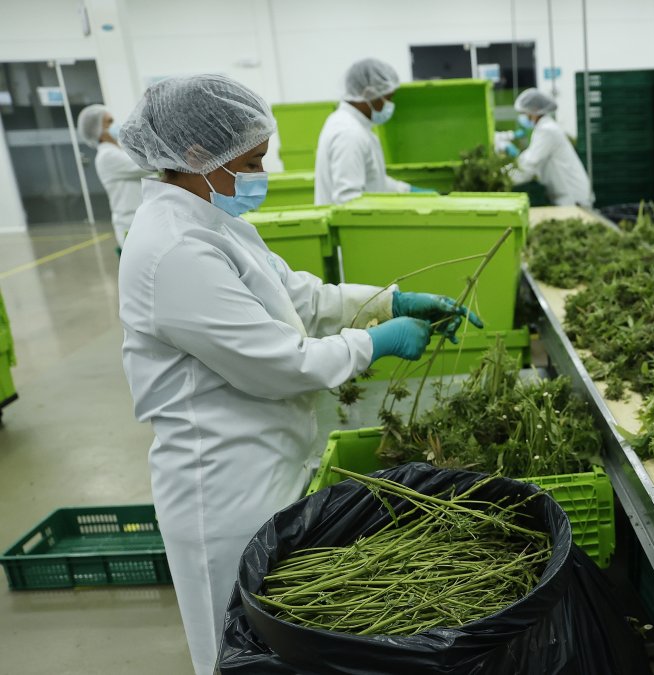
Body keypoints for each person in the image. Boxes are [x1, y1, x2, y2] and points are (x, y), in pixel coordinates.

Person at [117, 74, 481, 675]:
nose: (262, 172)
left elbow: (296, 297)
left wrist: (391, 301)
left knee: (281, 645)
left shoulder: (212, 218)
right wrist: (373, 344)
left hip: (269, 462)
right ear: (197, 155)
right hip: (224, 487)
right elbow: (277, 364)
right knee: (236, 651)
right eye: (253, 160)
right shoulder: (174, 248)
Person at [314, 58, 433, 204]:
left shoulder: (355, 126)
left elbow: (374, 180)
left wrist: (407, 191)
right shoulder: (349, 133)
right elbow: (348, 199)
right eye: (388, 98)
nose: (390, 105)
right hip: (351, 226)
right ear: (369, 93)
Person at [77, 104, 154, 252]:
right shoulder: (108, 156)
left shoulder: (118, 152)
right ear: (97, 130)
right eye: (109, 122)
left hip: (140, 219)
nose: (116, 125)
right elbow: (147, 165)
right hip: (130, 222)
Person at [506, 88, 594, 207]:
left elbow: (530, 165)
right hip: (565, 195)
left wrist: (503, 181)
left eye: (524, 113)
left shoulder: (547, 131)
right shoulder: (542, 129)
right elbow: (527, 157)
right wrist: (504, 171)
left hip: (572, 197)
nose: (523, 117)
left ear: (535, 110)